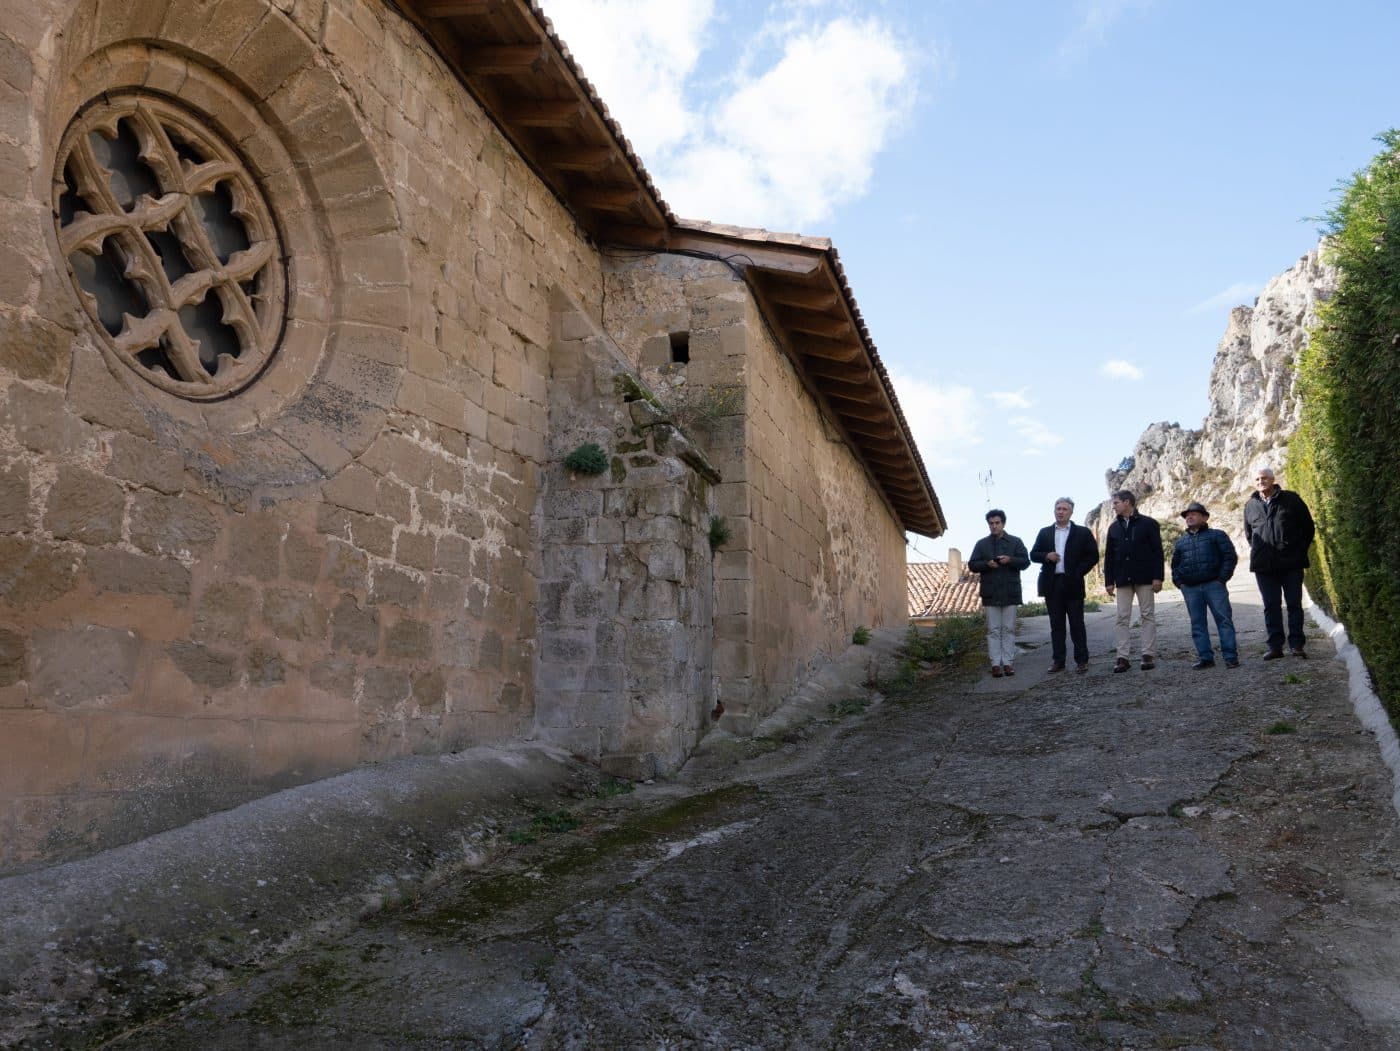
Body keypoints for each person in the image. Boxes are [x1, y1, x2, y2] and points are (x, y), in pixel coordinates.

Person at [1243, 466, 1315, 659]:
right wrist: (1261, 552)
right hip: (1264, 567)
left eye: (1264, 478)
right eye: (1257, 479)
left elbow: (1308, 527)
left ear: (1273, 479)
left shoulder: (1291, 499)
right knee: (1270, 606)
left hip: (1291, 563)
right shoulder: (1250, 505)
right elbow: (1250, 535)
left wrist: (1297, 550)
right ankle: (1275, 647)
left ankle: (1297, 645)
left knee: (1294, 604)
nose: (1261, 482)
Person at [1031, 497, 1100, 674]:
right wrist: (1047, 556)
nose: (1060, 512)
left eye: (1064, 509)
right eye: (1058, 509)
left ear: (1071, 512)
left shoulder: (1082, 532)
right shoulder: (1045, 532)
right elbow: (1033, 554)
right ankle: (1058, 661)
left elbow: (1093, 556)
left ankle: (1082, 661)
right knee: (1056, 626)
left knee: (1077, 624)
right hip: (1052, 584)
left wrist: (1078, 572)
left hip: (1073, 583)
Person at [1171, 501, 1239, 669]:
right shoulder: (1181, 542)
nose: (1189, 517)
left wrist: (1221, 579)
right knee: (1197, 624)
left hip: (1214, 585)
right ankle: (1206, 658)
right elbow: (1175, 566)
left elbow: (1230, 557)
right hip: (1191, 589)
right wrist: (1180, 583)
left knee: (1224, 621)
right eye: (1187, 515)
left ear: (1205, 517)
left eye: (1193, 514)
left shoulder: (1217, 535)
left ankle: (1230, 657)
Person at [1102, 489, 1164, 672]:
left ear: (1127, 502)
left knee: (1147, 615)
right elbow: (1109, 557)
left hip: (1145, 577)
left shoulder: (1149, 524)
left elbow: (1157, 552)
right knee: (1122, 617)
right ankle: (1122, 657)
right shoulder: (1113, 528)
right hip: (1122, 579)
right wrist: (1109, 581)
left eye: (1116, 503)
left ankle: (1148, 655)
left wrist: (1158, 577)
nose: (1114, 507)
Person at [968, 509, 1031, 678]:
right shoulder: (981, 544)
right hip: (990, 592)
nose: (994, 526)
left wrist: (1010, 560)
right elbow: (972, 565)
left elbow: (1026, 562)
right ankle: (995, 664)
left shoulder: (1015, 542)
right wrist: (987, 564)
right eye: (991, 523)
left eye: (997, 523)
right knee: (993, 630)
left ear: (1003, 523)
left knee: (1008, 629)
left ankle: (1008, 663)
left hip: (1010, 592)